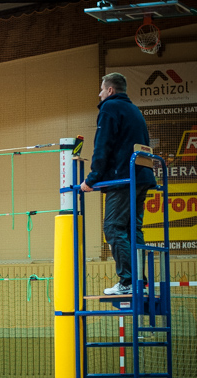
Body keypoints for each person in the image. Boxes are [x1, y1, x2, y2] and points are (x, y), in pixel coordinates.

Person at [80, 72, 155, 296]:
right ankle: (139, 281)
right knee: (133, 229)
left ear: (110, 90)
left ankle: (128, 281)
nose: (100, 94)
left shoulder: (110, 108)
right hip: (141, 177)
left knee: (113, 227)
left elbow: (103, 145)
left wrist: (92, 179)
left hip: (123, 179)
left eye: (102, 90)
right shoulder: (134, 110)